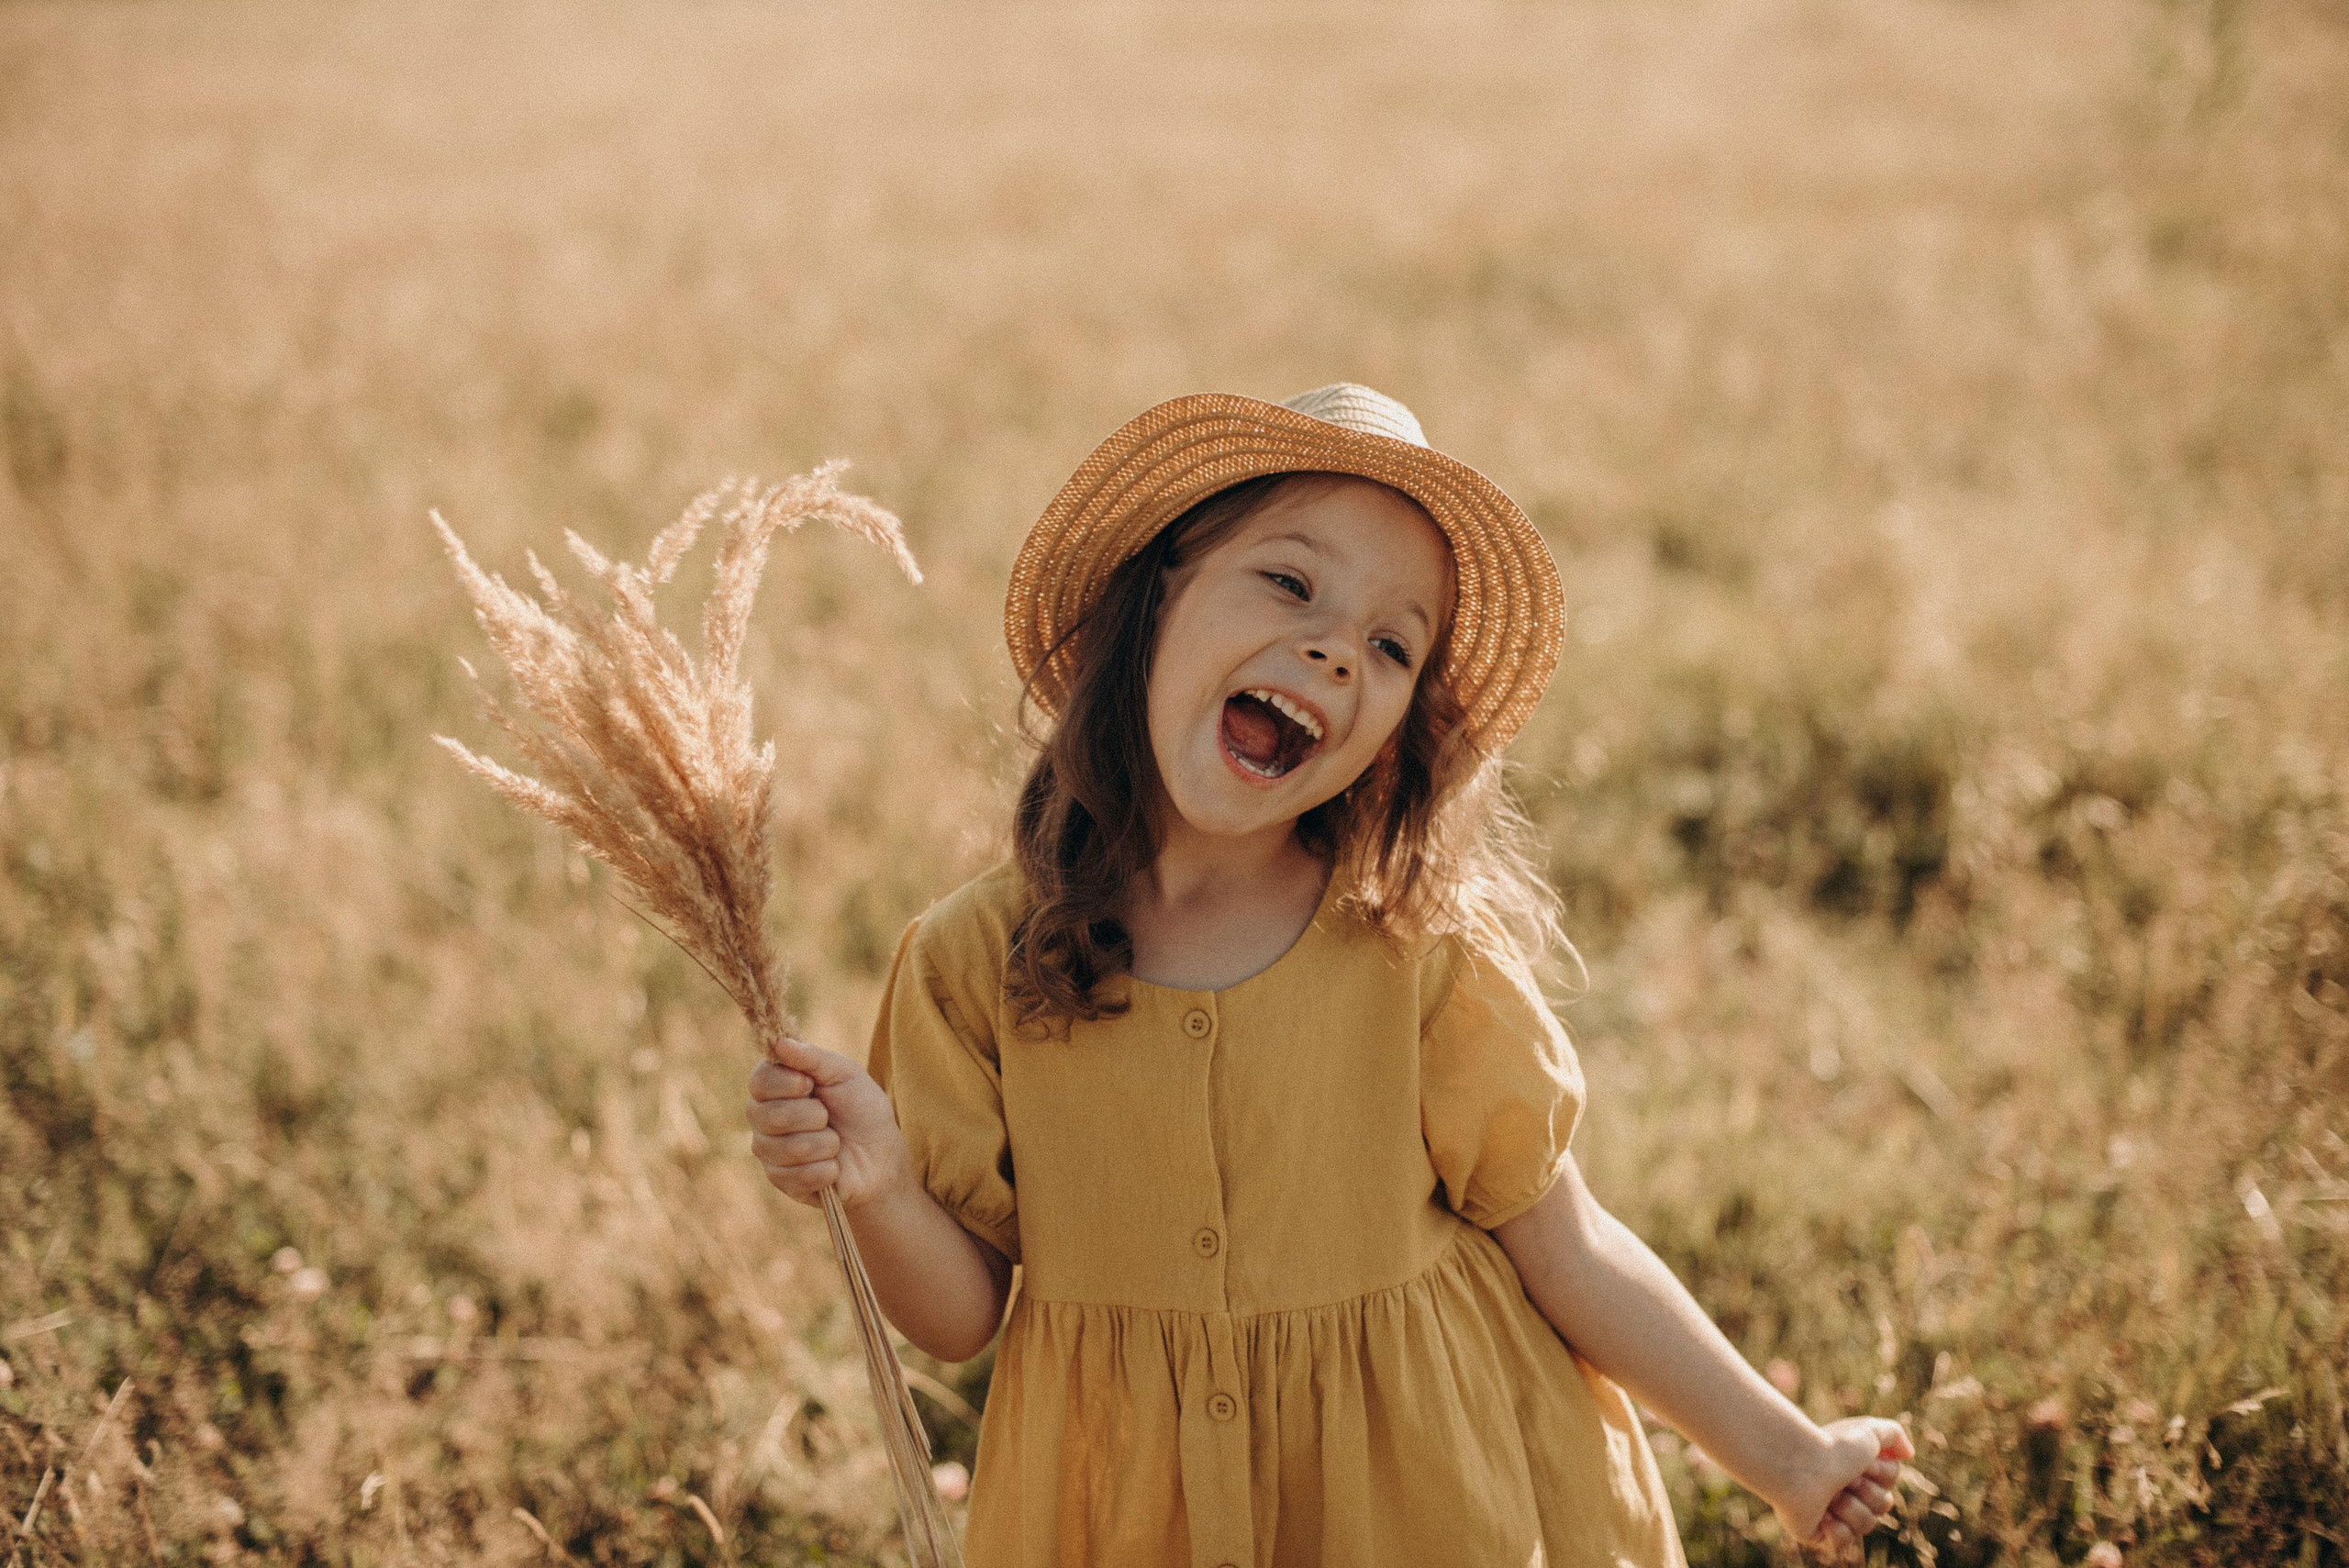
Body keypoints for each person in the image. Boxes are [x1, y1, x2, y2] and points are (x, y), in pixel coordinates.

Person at [746, 384, 1914, 1565]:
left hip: (1420, 1500)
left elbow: (1570, 1247)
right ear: (1161, 593)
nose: (1329, 647)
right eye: (1291, 583)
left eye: (1389, 642)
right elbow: (959, 1317)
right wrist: (880, 1181)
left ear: (1401, 727)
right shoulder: (972, 960)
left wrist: (1788, 1456)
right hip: (1138, 1513)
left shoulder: (1414, 949)